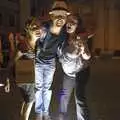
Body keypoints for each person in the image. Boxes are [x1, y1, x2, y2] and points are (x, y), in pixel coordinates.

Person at [33, 1, 71, 120]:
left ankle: (45, 112)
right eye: (57, 15)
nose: (60, 19)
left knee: (47, 88)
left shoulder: (64, 33)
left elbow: (62, 47)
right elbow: (33, 41)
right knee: (39, 87)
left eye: (63, 16)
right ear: (51, 16)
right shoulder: (44, 29)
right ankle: (39, 113)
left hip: (51, 63)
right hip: (39, 62)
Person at [57, 14, 91, 120]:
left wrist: (83, 49)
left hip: (81, 71)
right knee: (63, 96)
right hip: (68, 73)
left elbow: (87, 56)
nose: (70, 23)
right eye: (69, 20)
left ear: (77, 26)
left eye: (74, 22)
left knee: (79, 97)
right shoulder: (62, 38)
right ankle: (60, 117)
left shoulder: (80, 38)